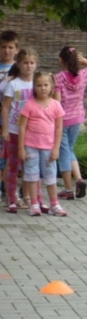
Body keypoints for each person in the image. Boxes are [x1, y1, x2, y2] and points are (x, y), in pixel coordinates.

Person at [54, 46, 87, 200]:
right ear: (76, 59)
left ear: (61, 60)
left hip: (63, 120)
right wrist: (83, 60)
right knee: (70, 149)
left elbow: (58, 102)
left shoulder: (58, 78)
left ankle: (68, 189)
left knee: (64, 154)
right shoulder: (83, 75)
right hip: (77, 119)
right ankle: (79, 179)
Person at [3, 49, 46, 213]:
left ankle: (37, 200)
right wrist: (6, 129)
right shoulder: (13, 84)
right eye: (25, 63)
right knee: (13, 165)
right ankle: (12, 198)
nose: (29, 66)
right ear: (19, 64)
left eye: (32, 63)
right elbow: (6, 107)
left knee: (33, 166)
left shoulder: (37, 84)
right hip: (15, 130)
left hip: (33, 132)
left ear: (36, 64)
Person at [18, 72, 66, 216]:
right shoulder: (29, 105)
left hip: (48, 147)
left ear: (51, 86)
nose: (42, 88)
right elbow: (22, 127)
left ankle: (54, 204)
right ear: (34, 87)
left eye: (46, 85)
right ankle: (34, 204)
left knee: (50, 176)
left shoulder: (56, 105)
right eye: (39, 85)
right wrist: (21, 148)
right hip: (31, 146)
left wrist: (56, 148)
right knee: (32, 176)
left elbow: (59, 128)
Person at [0, 31, 19, 199]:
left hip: (14, 120)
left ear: (16, 49)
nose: (7, 50)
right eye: (3, 47)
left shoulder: (19, 69)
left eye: (10, 47)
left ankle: (9, 186)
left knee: (12, 154)